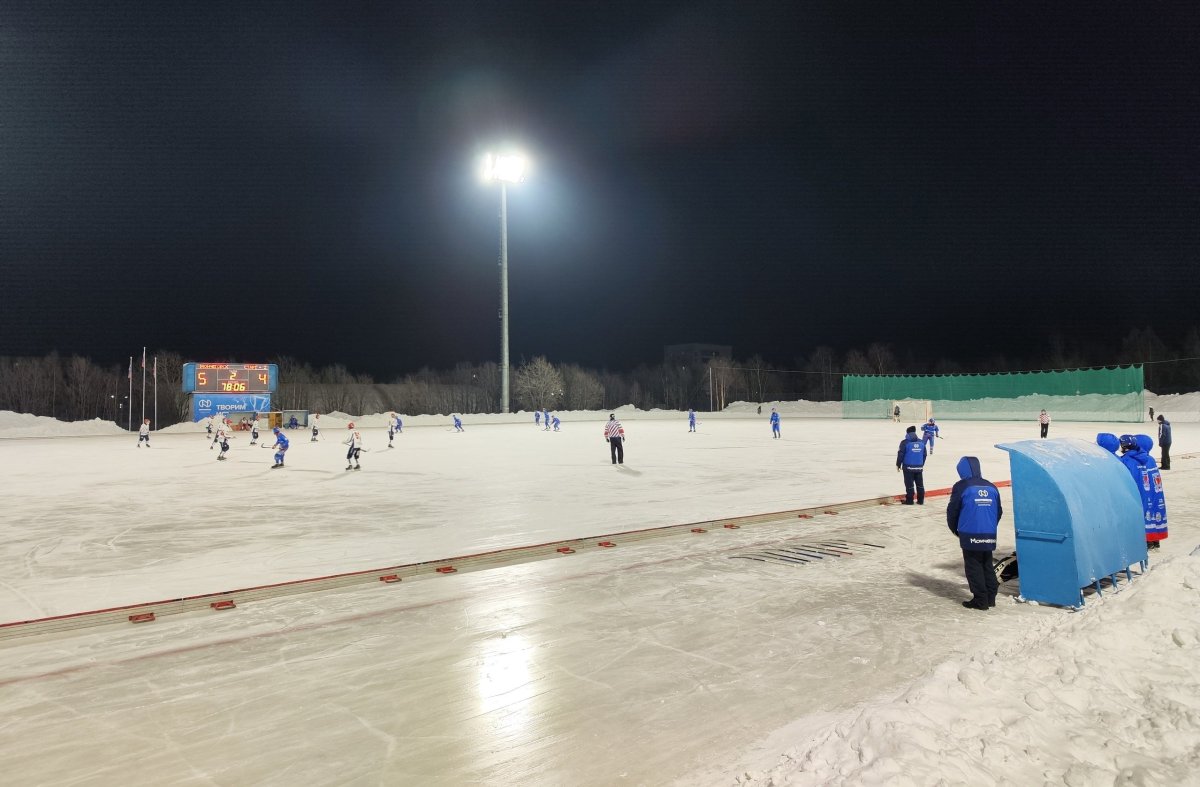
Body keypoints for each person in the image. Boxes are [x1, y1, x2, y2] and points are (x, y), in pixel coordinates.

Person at [946, 456, 1003, 610]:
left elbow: (953, 510)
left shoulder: (961, 486)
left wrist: (954, 528)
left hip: (970, 531)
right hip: (988, 532)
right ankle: (990, 597)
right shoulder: (991, 486)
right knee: (986, 564)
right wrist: (989, 526)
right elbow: (998, 511)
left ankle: (980, 600)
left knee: (974, 566)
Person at [1136, 434, 1168, 547]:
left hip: (1145, 492)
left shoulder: (1139, 461)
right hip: (1154, 493)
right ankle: (1155, 539)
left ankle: (1149, 540)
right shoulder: (1151, 460)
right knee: (1154, 513)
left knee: (1146, 515)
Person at [896, 425, 927, 505]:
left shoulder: (904, 443)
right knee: (920, 485)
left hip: (908, 467)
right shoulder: (921, 442)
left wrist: (898, 464)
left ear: (907, 433)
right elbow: (924, 455)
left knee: (909, 485)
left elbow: (901, 454)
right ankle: (920, 500)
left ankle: (909, 501)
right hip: (919, 467)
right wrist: (921, 464)